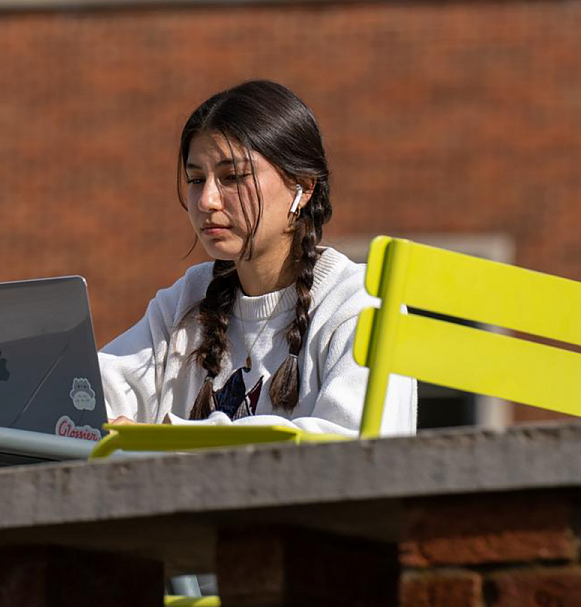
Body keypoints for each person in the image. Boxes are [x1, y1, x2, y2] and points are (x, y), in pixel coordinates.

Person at [97, 80, 417, 435]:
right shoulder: (183, 303)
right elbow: (90, 395)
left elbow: (348, 453)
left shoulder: (359, 304)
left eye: (232, 177)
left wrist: (174, 437)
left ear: (304, 186)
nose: (207, 201)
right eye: (195, 179)